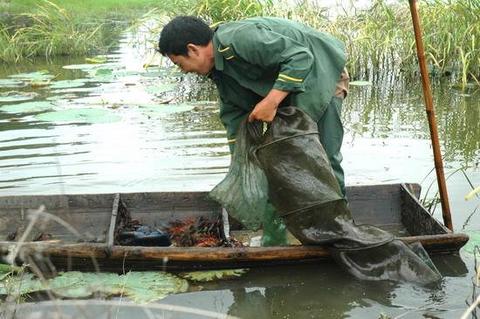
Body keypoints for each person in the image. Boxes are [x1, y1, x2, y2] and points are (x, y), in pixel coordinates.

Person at [158, 16, 349, 196]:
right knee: (290, 158)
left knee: (324, 155)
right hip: (291, 87)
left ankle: (339, 223)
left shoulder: (238, 39)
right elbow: (234, 119)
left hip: (322, 72)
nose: (184, 71)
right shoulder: (219, 72)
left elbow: (300, 57)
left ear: (192, 49)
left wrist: (271, 101)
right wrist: (239, 166)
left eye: (180, 64)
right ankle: (304, 221)